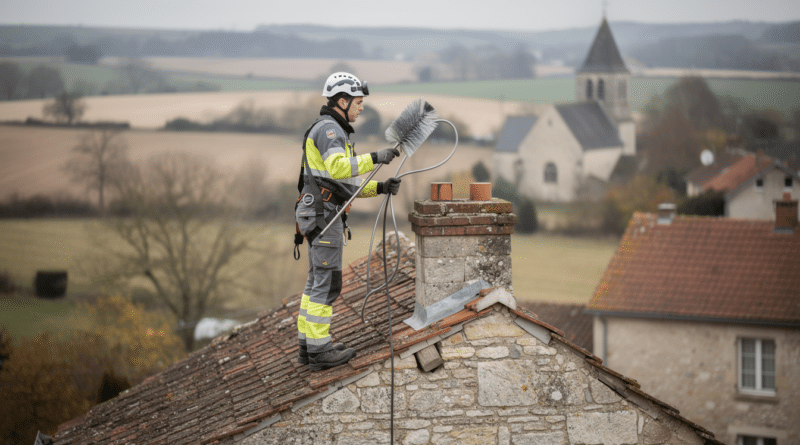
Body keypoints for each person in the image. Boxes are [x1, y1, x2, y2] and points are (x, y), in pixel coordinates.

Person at [295, 72, 402, 371]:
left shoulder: (330, 128)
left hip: (319, 211)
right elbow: (339, 168)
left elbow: (345, 184)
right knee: (326, 284)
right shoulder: (330, 131)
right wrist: (376, 157)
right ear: (342, 101)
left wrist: (380, 187)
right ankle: (319, 350)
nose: (361, 108)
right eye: (358, 102)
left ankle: (308, 346)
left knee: (316, 281)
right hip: (323, 214)